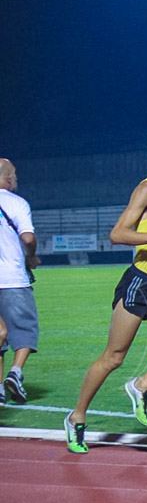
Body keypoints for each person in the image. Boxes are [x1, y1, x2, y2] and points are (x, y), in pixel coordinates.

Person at [63, 128, 147, 452]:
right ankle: (76, 417)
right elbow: (117, 234)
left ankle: (142, 385)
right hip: (139, 285)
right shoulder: (146, 190)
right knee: (113, 357)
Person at [0, 158, 40, 406]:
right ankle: (15, 372)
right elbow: (27, 237)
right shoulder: (17, 203)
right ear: (8, 177)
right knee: (25, 330)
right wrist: (32, 256)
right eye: (14, 174)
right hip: (13, 278)